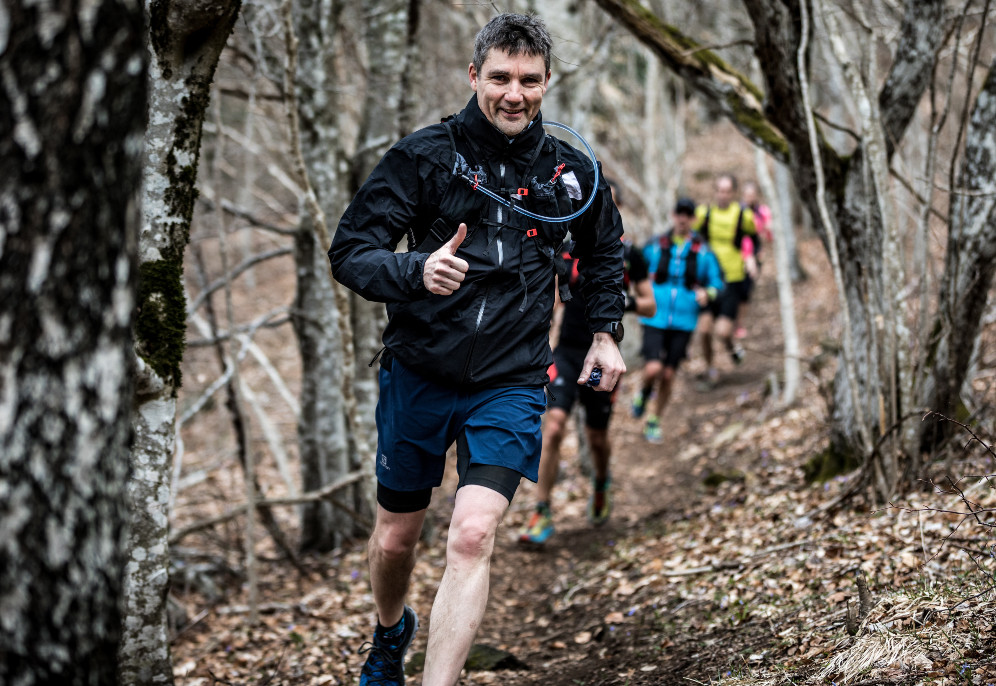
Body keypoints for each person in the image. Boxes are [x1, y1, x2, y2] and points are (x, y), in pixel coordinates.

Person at [327, 13, 627, 686]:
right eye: (499, 78)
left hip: (512, 379)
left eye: (528, 80)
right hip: (420, 370)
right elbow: (350, 251)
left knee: (471, 534)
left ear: (546, 82)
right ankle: (390, 632)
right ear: (473, 76)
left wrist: (605, 332)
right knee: (395, 539)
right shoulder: (424, 157)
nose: (513, 94)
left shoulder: (571, 171)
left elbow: (605, 251)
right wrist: (416, 270)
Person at [518, 231, 655, 545]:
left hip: (602, 357)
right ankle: (541, 511)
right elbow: (554, 300)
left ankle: (601, 484)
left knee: (596, 437)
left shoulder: (629, 254)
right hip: (567, 353)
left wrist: (621, 302)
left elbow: (650, 306)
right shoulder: (567, 251)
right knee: (553, 427)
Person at [631, 198, 723, 441]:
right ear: (673, 215)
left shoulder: (703, 251)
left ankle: (654, 420)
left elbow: (717, 282)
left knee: (669, 375)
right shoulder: (655, 245)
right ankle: (643, 393)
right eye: (679, 213)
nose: (682, 219)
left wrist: (708, 293)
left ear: (693, 219)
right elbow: (635, 268)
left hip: (684, 321)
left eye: (687, 214)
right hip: (654, 317)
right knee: (653, 368)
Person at [693, 173, 757, 387]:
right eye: (720, 190)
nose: (723, 195)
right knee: (704, 330)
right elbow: (691, 236)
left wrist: (751, 258)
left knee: (722, 331)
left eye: (727, 191)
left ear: (734, 193)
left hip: (732, 278)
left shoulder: (743, 215)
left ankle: (731, 347)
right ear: (715, 191)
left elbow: (754, 237)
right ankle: (710, 368)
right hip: (708, 280)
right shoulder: (704, 214)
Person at [735, 180, 772, 339]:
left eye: (752, 194)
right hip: (738, 255)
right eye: (747, 194)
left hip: (755, 255)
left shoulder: (762, 211)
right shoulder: (736, 211)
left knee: (746, 289)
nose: (749, 197)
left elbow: (768, 234)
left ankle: (739, 324)